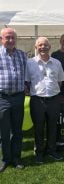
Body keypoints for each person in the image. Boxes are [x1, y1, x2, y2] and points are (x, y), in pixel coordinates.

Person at [25, 37, 64, 164]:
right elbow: (27, 82)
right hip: (37, 100)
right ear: (36, 47)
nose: (43, 47)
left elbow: (60, 82)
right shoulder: (29, 63)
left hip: (53, 99)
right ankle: (39, 153)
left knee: (52, 127)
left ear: (49, 47)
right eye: (40, 45)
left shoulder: (57, 63)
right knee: (38, 128)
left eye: (45, 45)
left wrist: (52, 93)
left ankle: (52, 151)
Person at [0, 28, 27, 172]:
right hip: (2, 98)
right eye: (7, 37)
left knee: (17, 130)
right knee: (4, 131)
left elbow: (27, 74)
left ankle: (16, 158)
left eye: (13, 37)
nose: (10, 40)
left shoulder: (22, 55)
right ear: (1, 39)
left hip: (18, 97)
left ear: (16, 39)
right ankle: (5, 159)